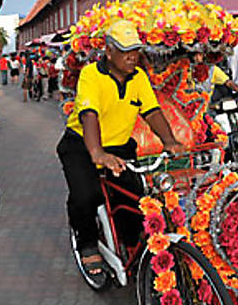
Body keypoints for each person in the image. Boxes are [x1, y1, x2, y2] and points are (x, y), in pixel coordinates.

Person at [56, 20, 185, 285]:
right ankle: (88, 243)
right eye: (125, 50)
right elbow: (89, 114)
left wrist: (170, 141)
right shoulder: (91, 74)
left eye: (136, 50)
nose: (132, 56)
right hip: (82, 144)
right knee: (86, 195)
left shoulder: (138, 77)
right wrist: (97, 153)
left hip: (120, 146)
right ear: (109, 51)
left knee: (138, 199)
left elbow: (151, 111)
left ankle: (130, 245)